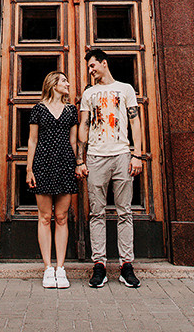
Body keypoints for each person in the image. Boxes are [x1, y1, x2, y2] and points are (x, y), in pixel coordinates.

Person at [75, 48, 144, 288]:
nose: (91, 70)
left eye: (93, 65)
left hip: (122, 156)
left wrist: (137, 154)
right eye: (89, 67)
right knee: (97, 213)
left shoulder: (126, 89)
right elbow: (83, 125)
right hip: (95, 157)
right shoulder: (89, 93)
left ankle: (126, 266)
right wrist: (80, 160)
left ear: (104, 63)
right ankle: (100, 265)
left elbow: (135, 122)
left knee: (125, 212)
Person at [25, 70, 79, 289]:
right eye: (63, 81)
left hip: (65, 164)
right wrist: (29, 170)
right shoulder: (38, 110)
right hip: (43, 165)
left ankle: (60, 268)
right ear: (53, 84)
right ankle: (47, 268)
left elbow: (74, 142)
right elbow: (32, 141)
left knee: (62, 217)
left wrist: (76, 164)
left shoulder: (71, 110)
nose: (67, 84)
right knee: (45, 217)